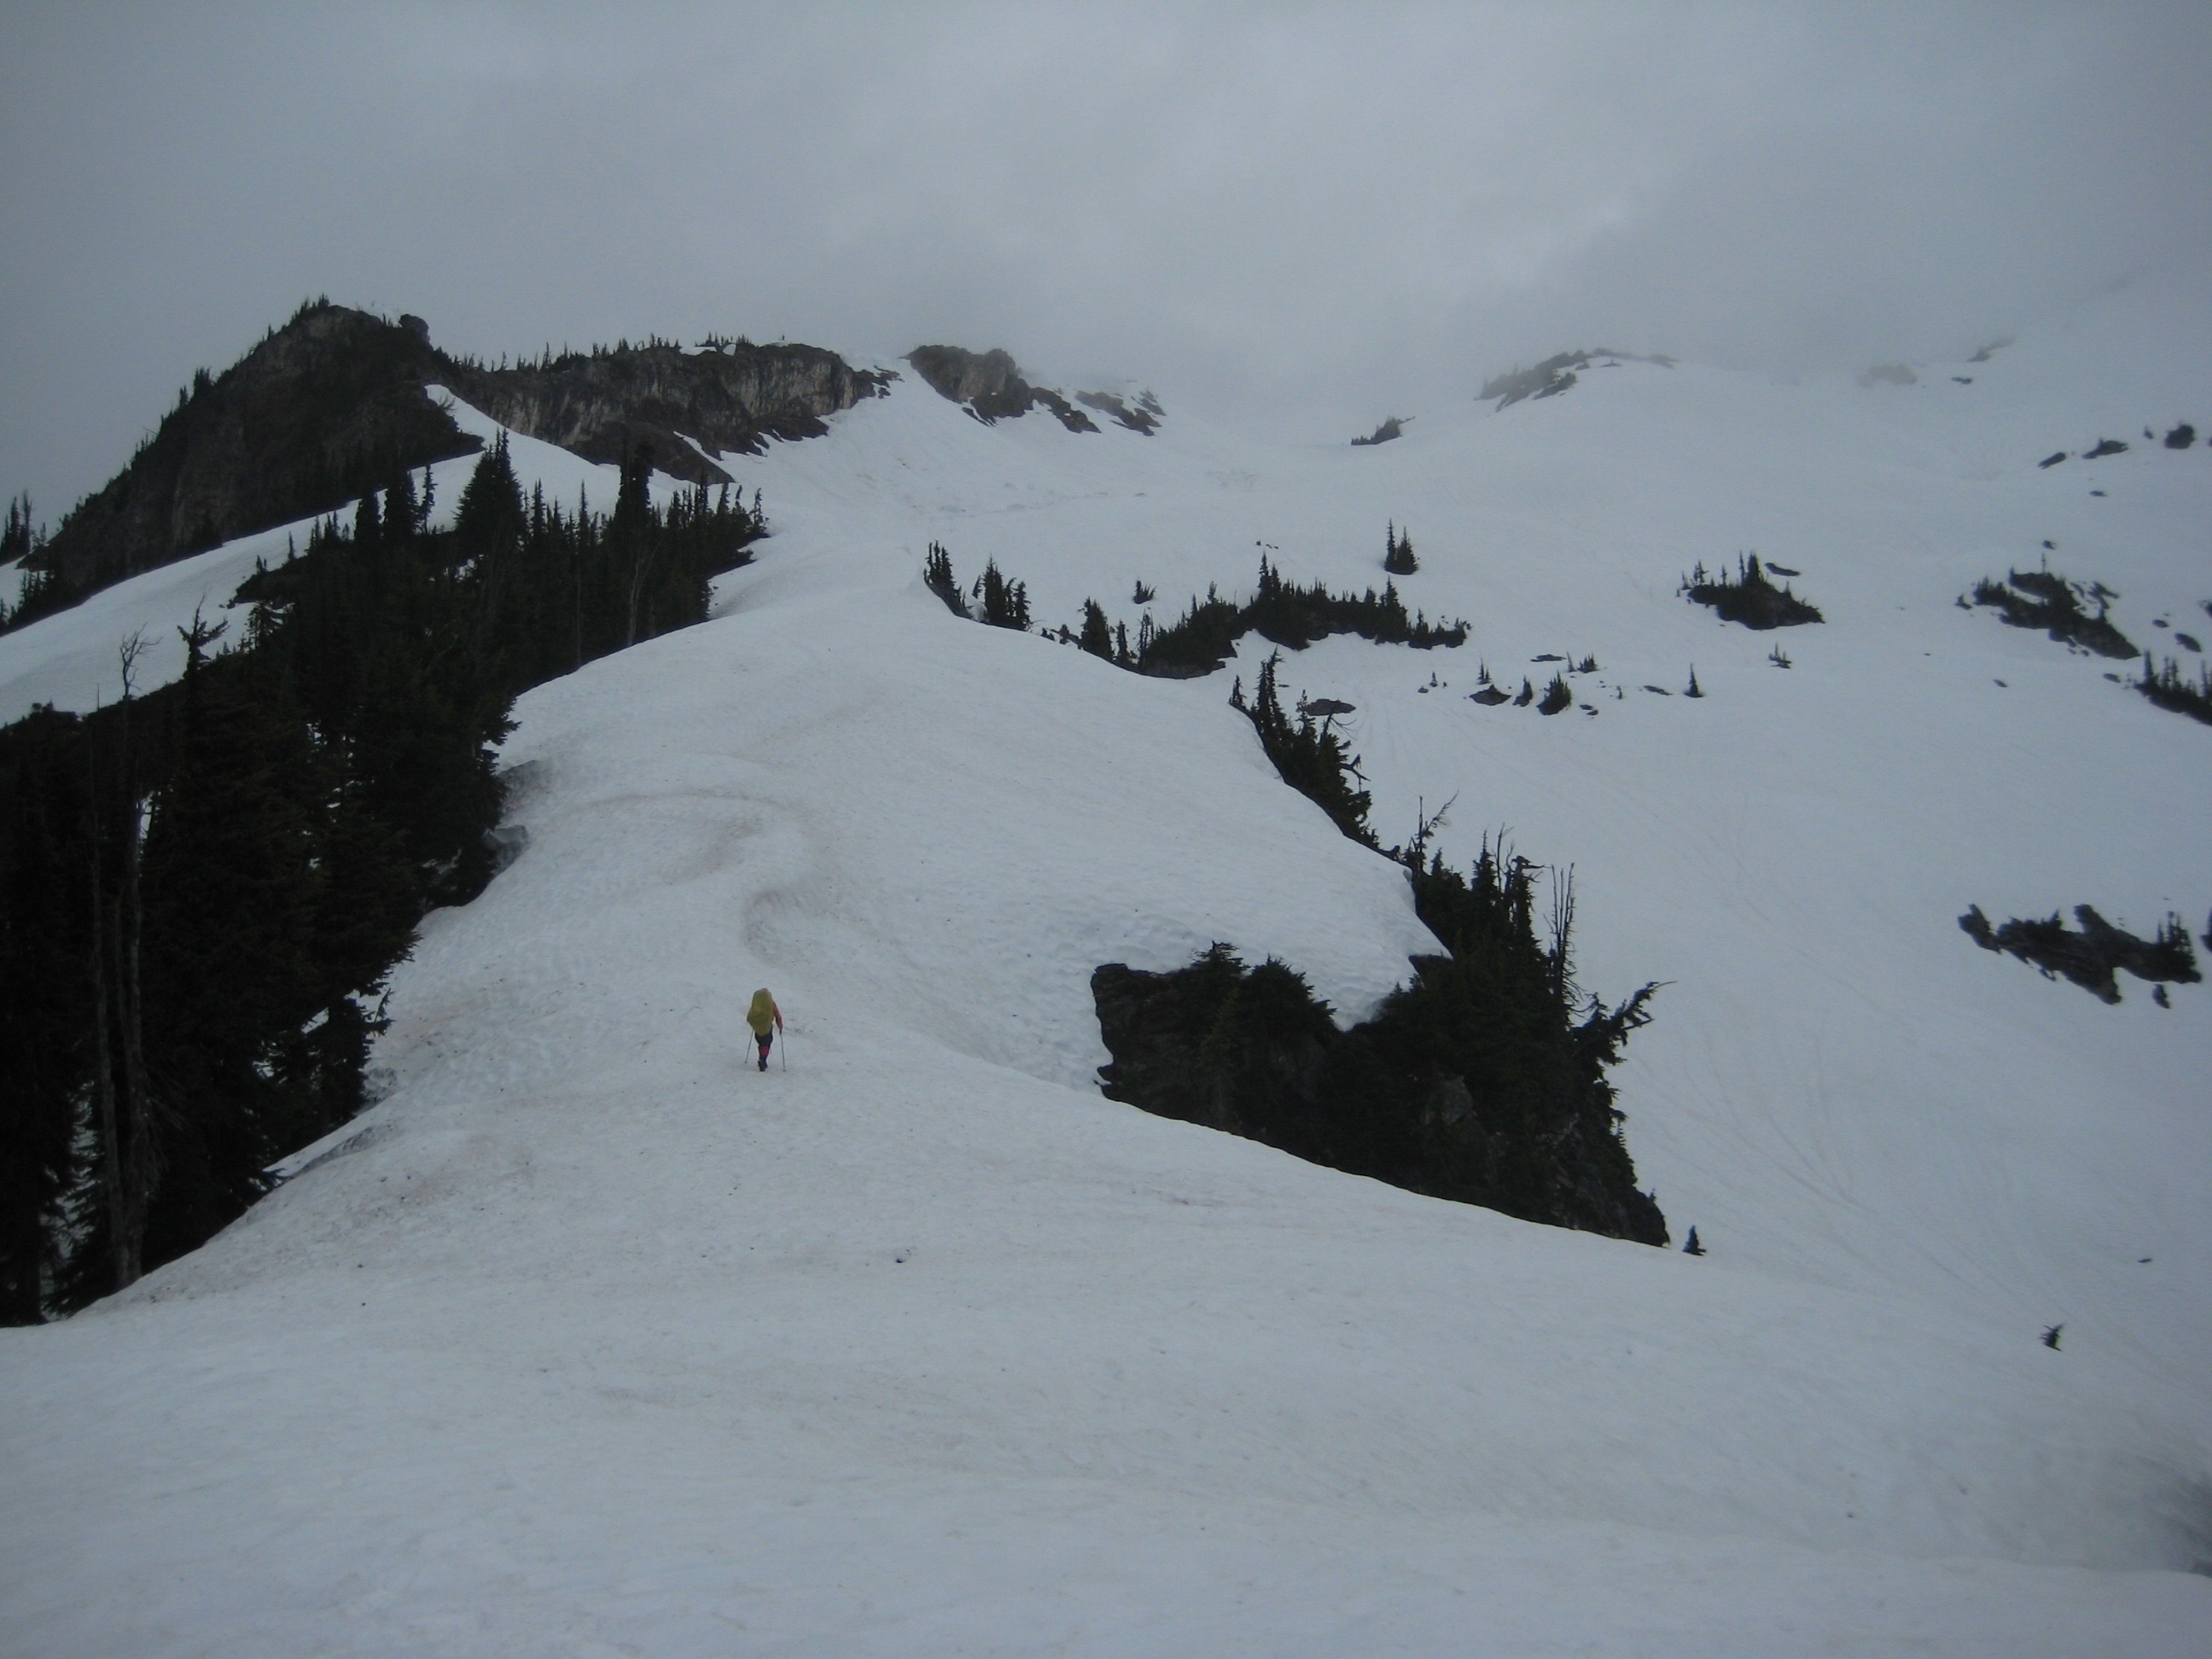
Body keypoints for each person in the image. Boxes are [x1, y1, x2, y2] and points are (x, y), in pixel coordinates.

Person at [746, 987, 783, 1071]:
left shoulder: (756, 1005)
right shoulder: (771, 1004)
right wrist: (780, 1026)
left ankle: (762, 1059)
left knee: (761, 1043)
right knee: (766, 1043)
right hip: (767, 1027)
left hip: (757, 1028)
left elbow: (750, 1014)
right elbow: (778, 1016)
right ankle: (762, 1059)